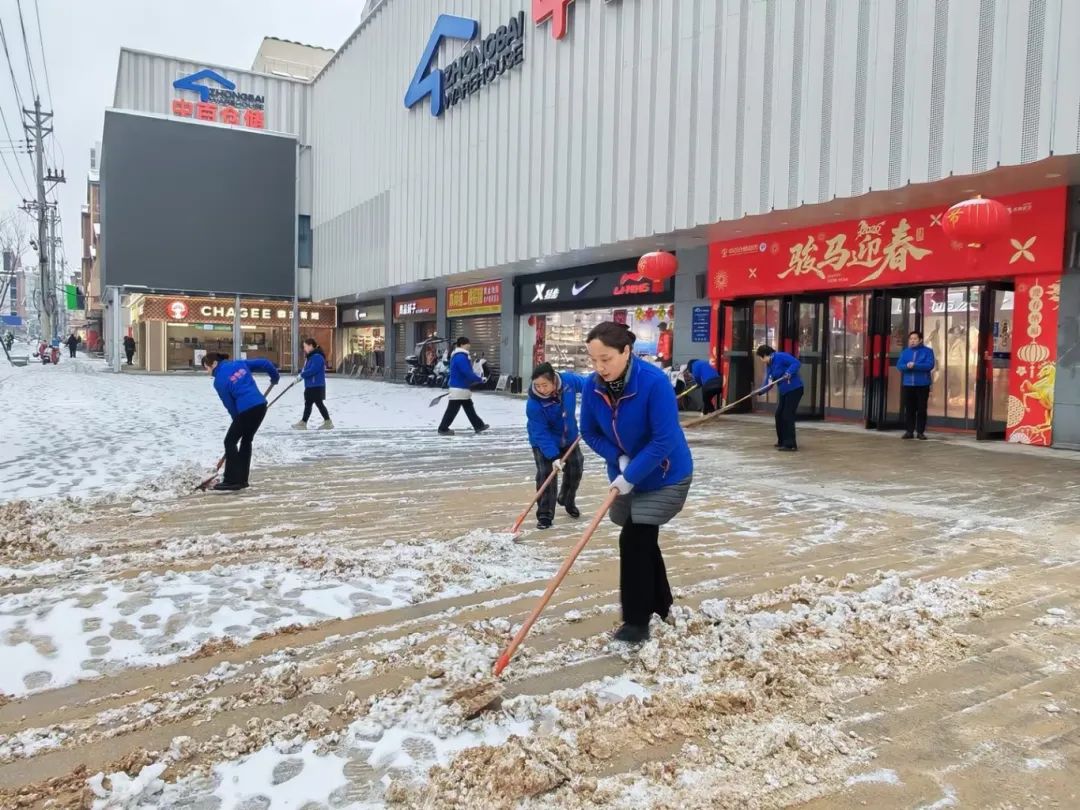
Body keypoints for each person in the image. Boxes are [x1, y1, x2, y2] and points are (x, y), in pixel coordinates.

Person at [580, 322, 693, 643]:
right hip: (626, 473)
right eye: (594, 360)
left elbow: (664, 440)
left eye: (606, 359)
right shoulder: (593, 387)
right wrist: (619, 457)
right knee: (641, 537)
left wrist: (631, 474)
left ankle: (636, 621)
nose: (600, 368)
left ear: (626, 351)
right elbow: (589, 432)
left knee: (634, 539)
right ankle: (660, 602)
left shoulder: (654, 383)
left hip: (666, 474)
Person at [201, 352, 280, 492]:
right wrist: (274, 377)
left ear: (214, 363)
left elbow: (229, 404)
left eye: (207, 368)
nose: (208, 372)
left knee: (230, 442)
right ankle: (242, 480)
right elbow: (265, 363)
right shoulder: (238, 363)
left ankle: (232, 480)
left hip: (246, 410)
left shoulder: (219, 381)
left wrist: (237, 421)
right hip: (260, 406)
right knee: (246, 441)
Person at [526, 362, 589, 529]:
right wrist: (554, 456)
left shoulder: (568, 381)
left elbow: (588, 385)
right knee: (547, 473)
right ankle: (545, 514)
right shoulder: (534, 404)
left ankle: (567, 499)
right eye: (537, 385)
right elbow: (540, 432)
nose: (541, 389)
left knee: (576, 467)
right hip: (543, 441)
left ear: (554, 380)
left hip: (569, 436)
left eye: (544, 385)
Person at [437, 336, 490, 436]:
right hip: (459, 387)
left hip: (460, 387)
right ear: (462, 345)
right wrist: (479, 379)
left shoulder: (459, 356)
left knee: (468, 407)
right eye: (467, 343)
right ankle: (443, 428)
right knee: (452, 410)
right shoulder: (461, 357)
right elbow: (467, 373)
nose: (469, 345)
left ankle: (479, 425)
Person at [757, 345, 803, 451]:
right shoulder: (769, 366)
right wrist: (760, 391)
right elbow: (769, 382)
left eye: (761, 357)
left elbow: (796, 363)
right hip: (784, 391)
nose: (761, 360)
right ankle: (782, 441)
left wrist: (788, 373)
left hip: (794, 389)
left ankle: (790, 444)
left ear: (765, 355)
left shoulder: (780, 356)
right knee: (779, 415)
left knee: (787, 415)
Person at [897, 330, 936, 440]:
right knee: (909, 408)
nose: (912, 341)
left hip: (922, 384)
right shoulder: (905, 352)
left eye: (915, 339)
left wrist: (915, 365)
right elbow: (899, 365)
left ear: (920, 340)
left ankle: (920, 432)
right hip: (908, 384)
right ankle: (909, 431)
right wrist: (907, 366)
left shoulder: (928, 351)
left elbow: (930, 365)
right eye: (911, 339)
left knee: (921, 409)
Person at [294, 338, 333, 430]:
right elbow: (307, 369)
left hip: (316, 385)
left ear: (311, 346)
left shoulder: (317, 357)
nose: (304, 349)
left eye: (305, 346)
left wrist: (302, 375)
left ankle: (327, 422)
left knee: (318, 403)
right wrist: (301, 375)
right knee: (309, 404)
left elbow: (313, 370)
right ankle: (304, 422)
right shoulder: (311, 357)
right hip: (311, 385)